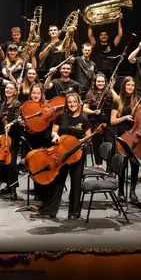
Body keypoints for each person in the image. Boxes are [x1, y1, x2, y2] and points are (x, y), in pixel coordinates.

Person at [29, 91, 92, 219]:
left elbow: (89, 137)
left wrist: (84, 142)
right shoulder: (60, 116)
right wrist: (56, 136)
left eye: (74, 102)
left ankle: (74, 213)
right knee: (57, 182)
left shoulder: (84, 119)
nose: (72, 104)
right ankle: (48, 211)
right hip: (62, 154)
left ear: (79, 102)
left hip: (77, 155)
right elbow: (54, 132)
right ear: (66, 104)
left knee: (76, 184)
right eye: (69, 102)